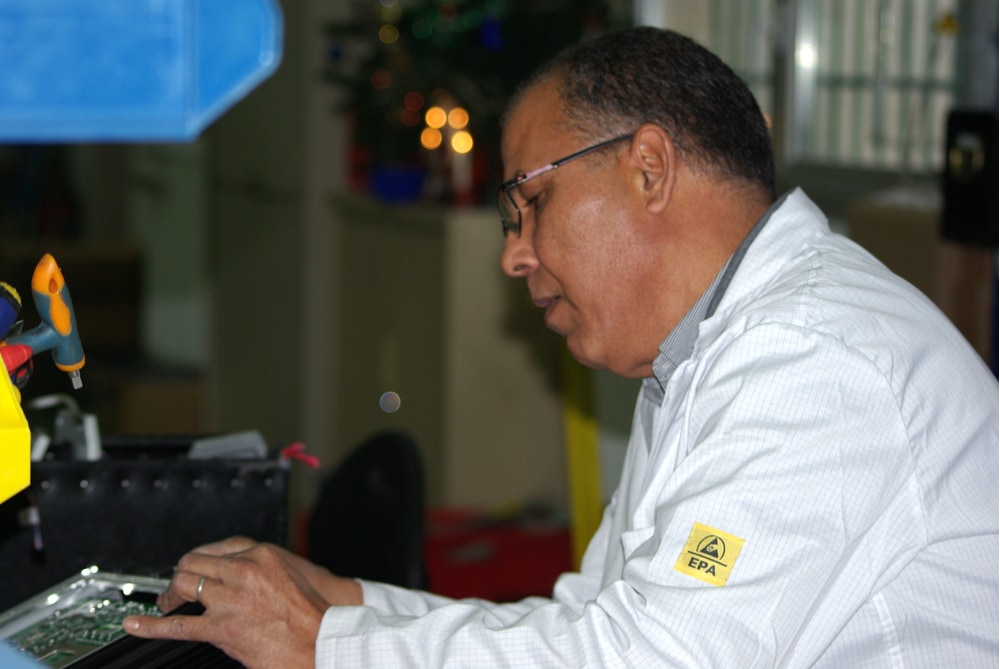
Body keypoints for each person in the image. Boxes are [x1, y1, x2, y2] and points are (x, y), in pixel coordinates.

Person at [123, 26, 999, 667]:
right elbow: (594, 620)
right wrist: (346, 603)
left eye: (529, 204)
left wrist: (327, 642)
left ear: (648, 168)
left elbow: (647, 659)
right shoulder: (708, 353)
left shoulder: (816, 360)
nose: (513, 254)